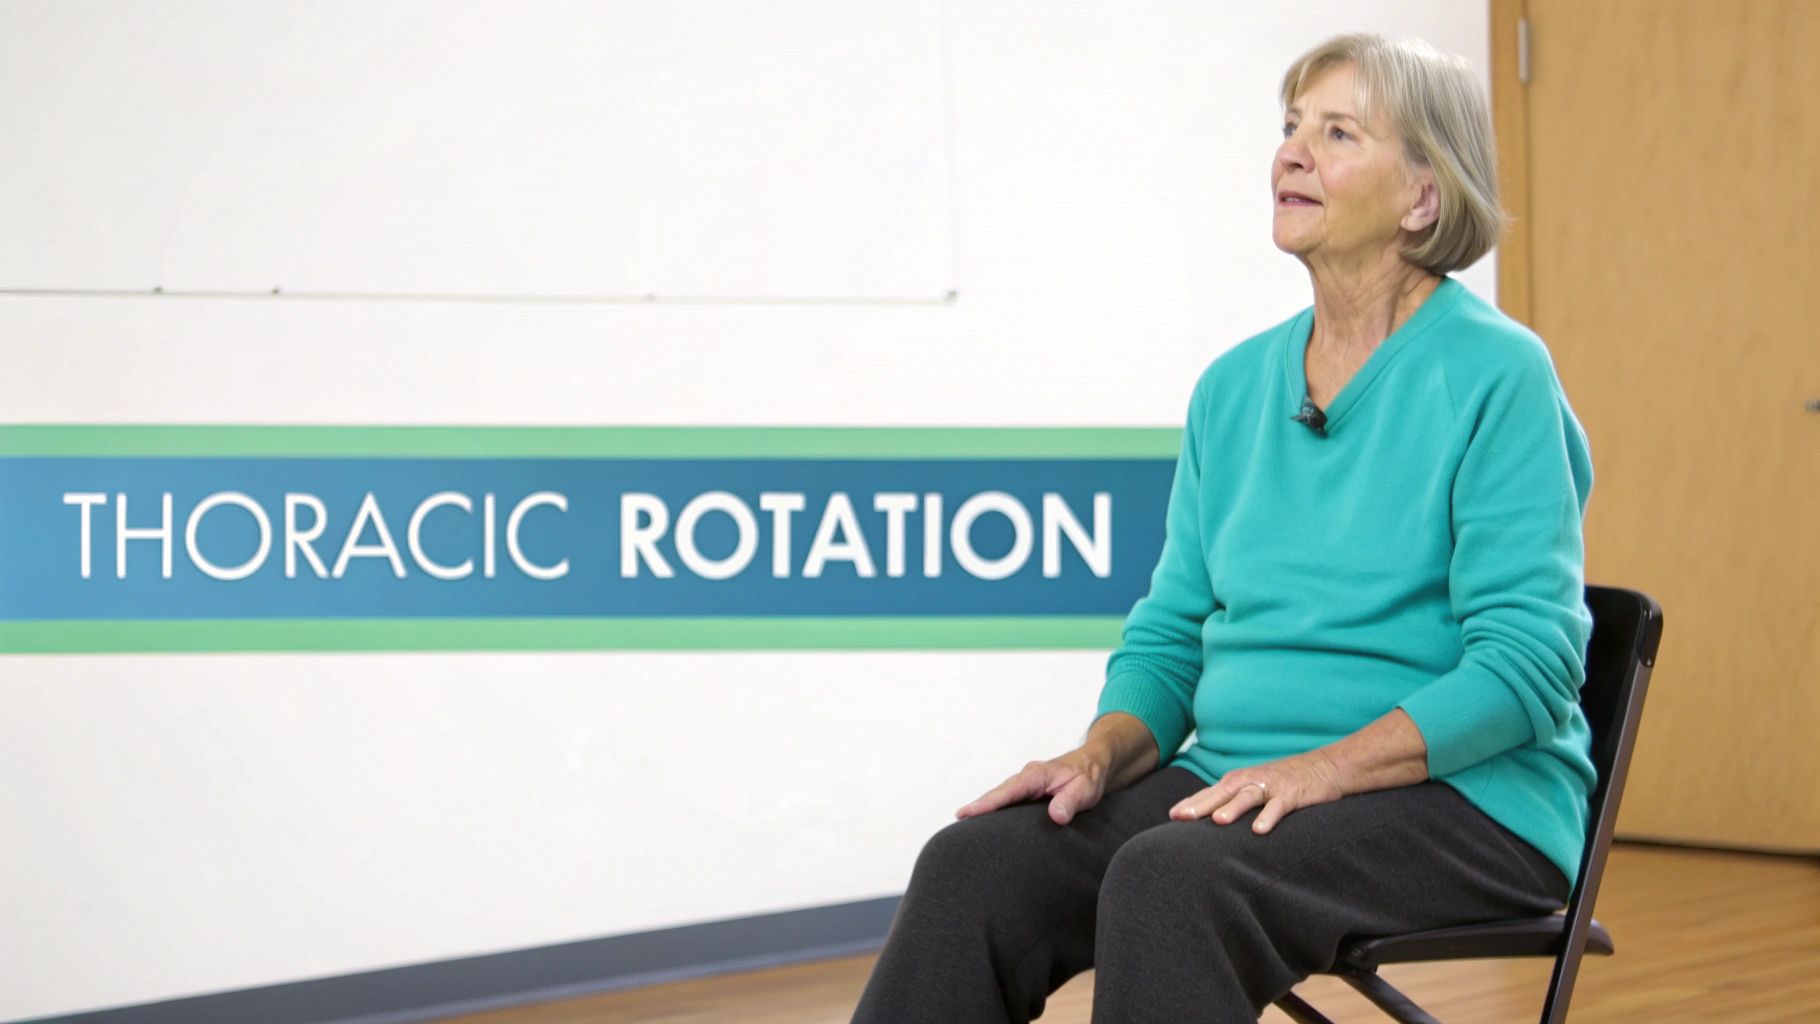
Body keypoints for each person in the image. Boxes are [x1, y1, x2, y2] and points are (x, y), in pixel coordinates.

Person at [850, 31, 1599, 1024]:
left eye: (1336, 132)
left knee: (1174, 876)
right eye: (1290, 127)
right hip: (1239, 786)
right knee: (976, 864)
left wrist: (1320, 769)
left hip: (1465, 802)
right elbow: (1170, 633)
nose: (1291, 152)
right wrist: (1098, 755)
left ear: (1422, 196)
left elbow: (1526, 665)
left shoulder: (1495, 375)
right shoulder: (1232, 388)